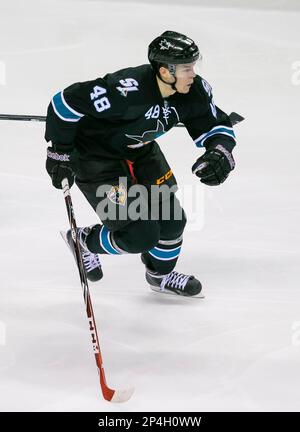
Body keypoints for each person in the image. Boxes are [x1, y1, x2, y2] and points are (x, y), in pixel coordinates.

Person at [45, 30, 236, 297]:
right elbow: (64, 104)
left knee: (171, 220)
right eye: (185, 68)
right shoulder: (124, 90)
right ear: (165, 71)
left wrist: (219, 153)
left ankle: (160, 277)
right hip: (98, 162)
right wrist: (60, 152)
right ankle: (83, 241)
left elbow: (215, 125)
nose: (192, 73)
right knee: (139, 235)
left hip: (141, 155)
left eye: (193, 66)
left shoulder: (193, 92)